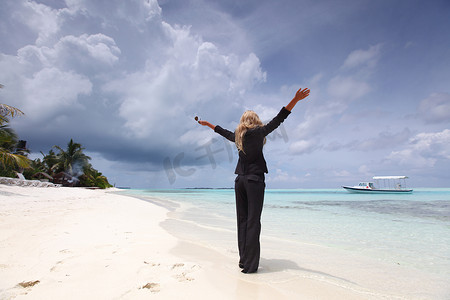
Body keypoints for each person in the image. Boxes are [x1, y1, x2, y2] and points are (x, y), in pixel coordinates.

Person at [198, 87, 311, 273]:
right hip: (254, 181)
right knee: (253, 222)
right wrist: (295, 99)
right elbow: (280, 117)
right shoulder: (260, 132)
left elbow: (221, 131)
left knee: (242, 220)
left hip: (239, 181)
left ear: (243, 121)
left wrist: (208, 124)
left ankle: (243, 260)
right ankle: (250, 267)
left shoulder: (238, 136)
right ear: (256, 120)